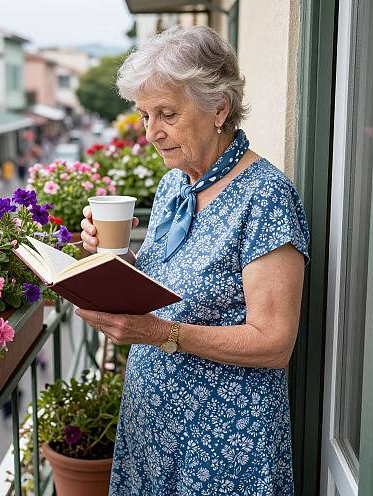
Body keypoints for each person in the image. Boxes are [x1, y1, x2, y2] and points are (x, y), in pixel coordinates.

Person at [76, 25, 309, 495]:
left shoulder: (266, 197)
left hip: (223, 444)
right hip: (155, 427)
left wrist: (157, 333)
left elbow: (274, 342)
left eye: (167, 114)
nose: (151, 133)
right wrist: (112, 256)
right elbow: (166, 285)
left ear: (219, 109)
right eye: (144, 115)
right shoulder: (177, 183)